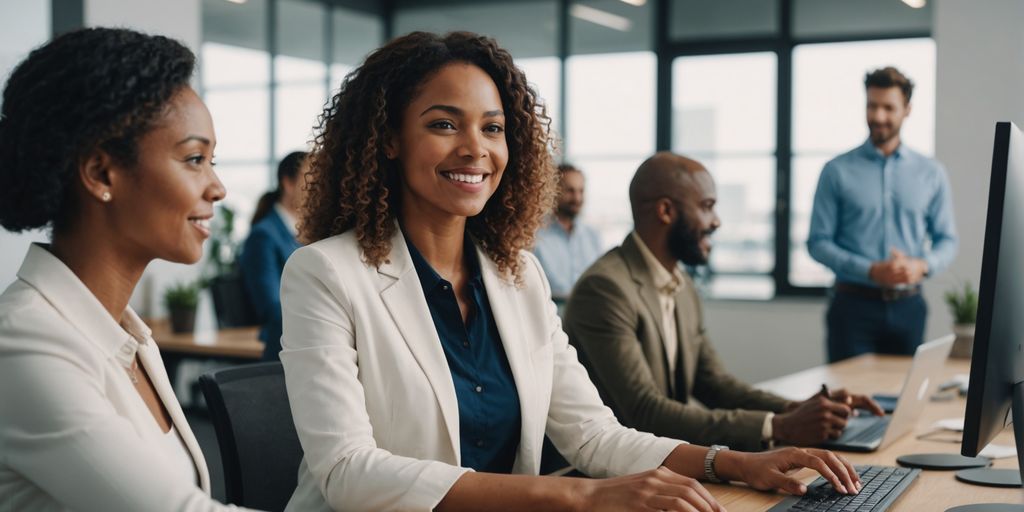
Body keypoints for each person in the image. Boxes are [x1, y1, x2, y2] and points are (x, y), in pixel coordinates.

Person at [280, 31, 861, 512]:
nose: (475, 149)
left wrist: (734, 463)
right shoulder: (325, 273)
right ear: (387, 139)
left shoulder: (517, 277)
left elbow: (592, 435)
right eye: (443, 124)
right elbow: (349, 473)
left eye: (493, 127)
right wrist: (580, 496)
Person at [0, 28, 253, 510]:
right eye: (195, 159)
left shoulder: (126, 336)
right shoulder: (22, 344)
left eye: (212, 161)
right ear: (100, 174)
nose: (217, 187)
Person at [563, 152, 885, 452]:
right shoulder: (605, 289)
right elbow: (645, 412)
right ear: (665, 211)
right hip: (605, 475)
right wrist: (778, 427)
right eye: (707, 206)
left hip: (658, 464)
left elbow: (715, 385)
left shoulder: (682, 285)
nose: (716, 221)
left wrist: (800, 409)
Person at [807, 66, 957, 363]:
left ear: (907, 110)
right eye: (872, 105)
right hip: (851, 307)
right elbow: (818, 242)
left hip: (909, 307)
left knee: (904, 400)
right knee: (846, 403)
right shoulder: (836, 171)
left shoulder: (931, 173)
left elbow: (947, 240)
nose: (878, 117)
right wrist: (870, 270)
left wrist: (922, 266)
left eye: (888, 108)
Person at [239, 150, 307, 361]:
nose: (321, 187)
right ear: (288, 183)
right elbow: (271, 306)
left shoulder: (306, 234)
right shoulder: (264, 235)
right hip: (283, 350)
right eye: (312, 179)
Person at [532, 163, 603, 300]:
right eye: (570, 191)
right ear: (554, 191)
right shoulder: (535, 236)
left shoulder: (593, 236)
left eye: (581, 191)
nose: (577, 198)